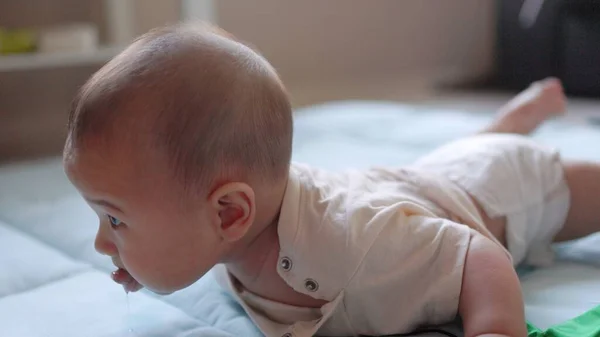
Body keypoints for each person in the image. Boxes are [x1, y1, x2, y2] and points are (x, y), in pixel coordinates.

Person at [64, 23, 596, 337]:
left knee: (504, 165)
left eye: (115, 218)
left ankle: (513, 129)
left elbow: (477, 252)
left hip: (508, 185)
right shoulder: (227, 223)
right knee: (447, 161)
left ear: (230, 213)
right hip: (421, 179)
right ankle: (515, 118)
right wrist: (148, 263)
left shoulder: (353, 247)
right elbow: (184, 238)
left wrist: (495, 329)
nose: (100, 240)